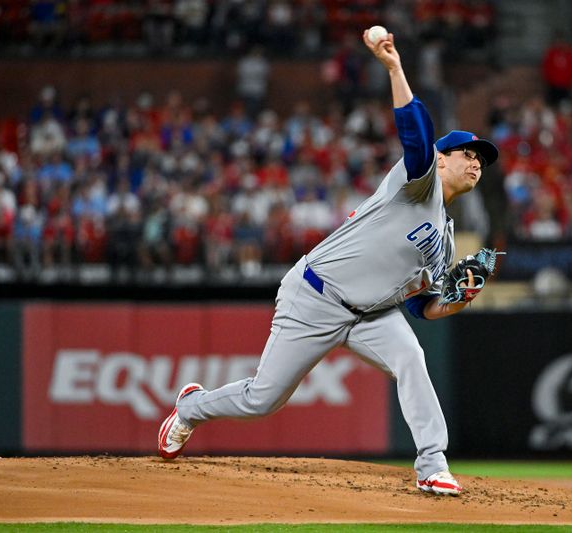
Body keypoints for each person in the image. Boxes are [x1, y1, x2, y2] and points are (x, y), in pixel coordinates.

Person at [157, 29, 500, 496]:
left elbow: (423, 307)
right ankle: (192, 408)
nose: (477, 162)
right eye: (468, 153)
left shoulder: (445, 237)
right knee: (264, 399)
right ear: (443, 161)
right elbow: (416, 137)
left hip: (372, 314)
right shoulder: (418, 183)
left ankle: (432, 465)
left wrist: (460, 300)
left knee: (411, 357)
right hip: (317, 294)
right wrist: (395, 67)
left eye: (482, 158)